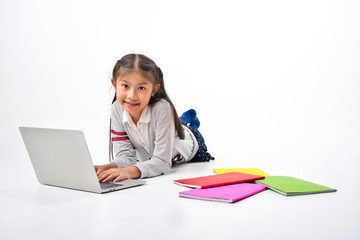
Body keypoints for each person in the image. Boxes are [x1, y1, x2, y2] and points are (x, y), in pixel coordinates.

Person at [95, 54, 214, 182]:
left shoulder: (162, 108)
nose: (132, 96)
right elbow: (126, 157)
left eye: (141, 88)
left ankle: (187, 122)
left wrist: (128, 172)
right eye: (125, 86)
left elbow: (162, 162)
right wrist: (108, 167)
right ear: (114, 84)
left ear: (154, 89)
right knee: (173, 125)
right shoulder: (117, 108)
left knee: (188, 131)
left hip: (191, 143)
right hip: (154, 144)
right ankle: (181, 120)